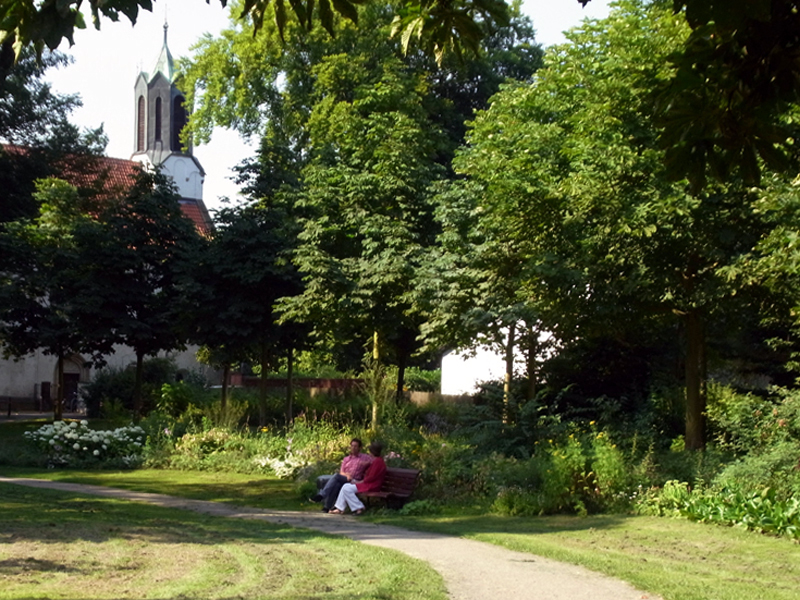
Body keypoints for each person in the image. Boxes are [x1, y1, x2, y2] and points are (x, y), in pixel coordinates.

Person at [309, 437, 373, 512]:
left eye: (355, 446)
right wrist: (347, 475)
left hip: (355, 480)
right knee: (336, 484)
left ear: (360, 448)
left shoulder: (364, 457)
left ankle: (322, 495)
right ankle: (327, 507)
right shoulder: (346, 459)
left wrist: (366, 463)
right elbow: (342, 472)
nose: (353, 448)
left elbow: (375, 462)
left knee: (336, 476)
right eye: (352, 446)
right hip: (345, 478)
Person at [330, 440, 386, 516]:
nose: (369, 453)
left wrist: (359, 482)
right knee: (345, 486)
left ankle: (359, 508)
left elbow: (370, 478)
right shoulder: (377, 461)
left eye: (370, 451)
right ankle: (339, 508)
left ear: (373, 452)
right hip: (369, 483)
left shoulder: (378, 462)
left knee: (347, 489)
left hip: (372, 485)